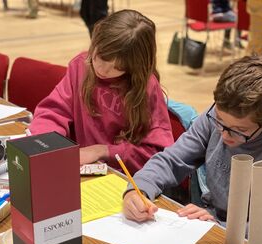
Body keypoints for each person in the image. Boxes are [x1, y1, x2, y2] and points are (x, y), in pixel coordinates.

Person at [123, 56, 262, 244]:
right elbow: (172, 160)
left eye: (239, 130)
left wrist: (219, 227)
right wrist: (139, 189)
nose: (224, 135)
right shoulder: (218, 116)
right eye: (220, 121)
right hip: (215, 221)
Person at [29, 9, 174, 174]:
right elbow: (54, 111)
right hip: (79, 170)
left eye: (118, 68)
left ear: (135, 67)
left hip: (122, 178)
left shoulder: (147, 88)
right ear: (95, 41)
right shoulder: (81, 65)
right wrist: (45, 142)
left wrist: (103, 150)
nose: (102, 70)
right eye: (101, 57)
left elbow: (155, 153)